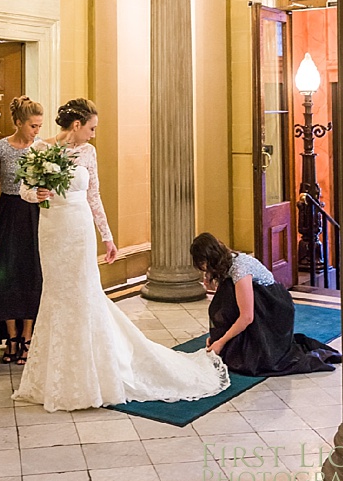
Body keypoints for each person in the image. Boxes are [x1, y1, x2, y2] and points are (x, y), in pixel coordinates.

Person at [13, 98, 230, 412]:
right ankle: (54, 377)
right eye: (91, 128)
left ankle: (92, 374)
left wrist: (108, 237)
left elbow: (94, 195)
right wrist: (37, 194)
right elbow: (23, 189)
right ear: (76, 125)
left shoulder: (88, 153)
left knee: (85, 296)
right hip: (52, 232)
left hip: (80, 230)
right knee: (57, 297)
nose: (93, 134)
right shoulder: (38, 150)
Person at [190, 232, 342, 377]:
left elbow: (247, 317)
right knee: (223, 298)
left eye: (204, 264)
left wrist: (221, 342)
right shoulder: (226, 262)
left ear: (211, 258)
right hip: (261, 301)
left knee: (251, 362)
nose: (204, 269)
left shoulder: (239, 269)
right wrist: (216, 335)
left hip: (273, 307)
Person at [0, 96, 44, 365]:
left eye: (39, 126)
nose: (36, 131)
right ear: (18, 122)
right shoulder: (0, 148)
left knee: (31, 272)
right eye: (33, 126)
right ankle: (11, 336)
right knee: (6, 274)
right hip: (7, 213)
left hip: (35, 214)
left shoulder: (40, 148)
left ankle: (27, 336)